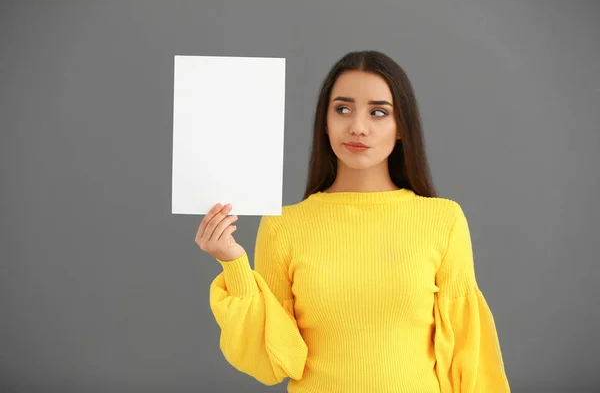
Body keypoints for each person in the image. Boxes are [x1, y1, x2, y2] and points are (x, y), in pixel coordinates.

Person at [196, 50, 510, 392]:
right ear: (325, 122)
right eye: (343, 109)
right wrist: (233, 264)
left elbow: (467, 355)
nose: (358, 127)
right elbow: (276, 362)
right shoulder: (283, 226)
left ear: (401, 126)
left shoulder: (442, 219)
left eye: (378, 112)